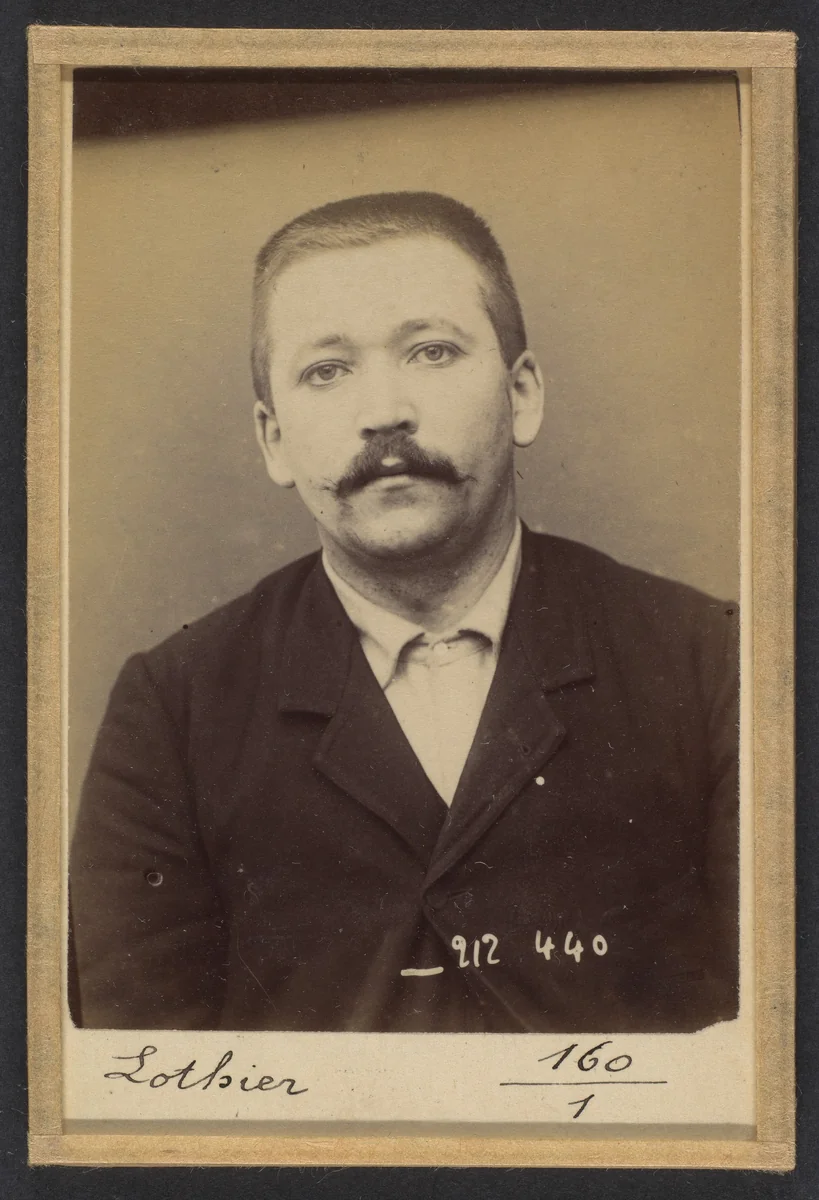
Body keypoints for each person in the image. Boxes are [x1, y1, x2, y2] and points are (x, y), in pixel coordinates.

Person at [70, 191, 739, 1033]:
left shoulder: (712, 664)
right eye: (327, 370)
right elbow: (138, 1082)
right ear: (273, 439)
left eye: (430, 351)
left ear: (521, 393)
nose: (383, 410)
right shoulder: (171, 709)